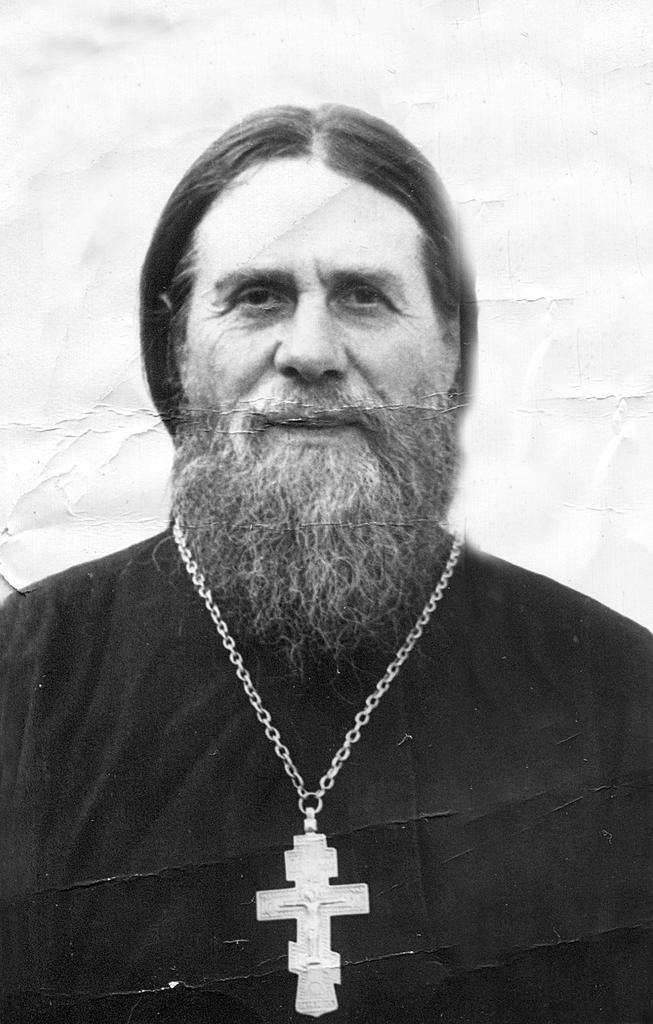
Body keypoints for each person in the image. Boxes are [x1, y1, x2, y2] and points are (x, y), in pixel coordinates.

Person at [1, 105, 651, 1024]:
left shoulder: (620, 698)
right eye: (257, 296)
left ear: (450, 346)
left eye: (363, 297)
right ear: (176, 348)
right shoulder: (21, 684)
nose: (309, 352)